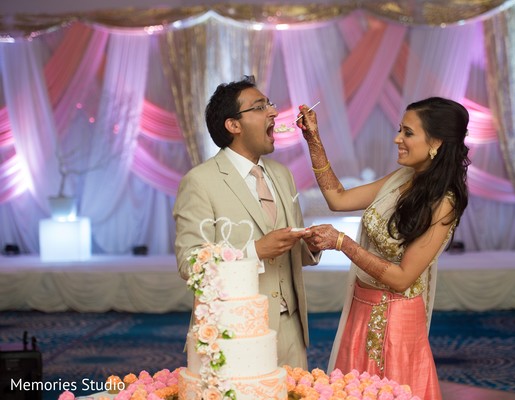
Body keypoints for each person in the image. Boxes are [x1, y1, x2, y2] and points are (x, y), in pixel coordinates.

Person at [298, 97, 470, 400]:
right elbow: (338, 199)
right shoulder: (404, 178)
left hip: (396, 320)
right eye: (399, 130)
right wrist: (314, 141)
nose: (397, 139)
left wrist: (343, 243)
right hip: (361, 307)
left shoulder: (445, 202)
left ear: (437, 142)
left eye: (407, 132)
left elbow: (403, 278)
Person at [173, 76, 320, 369]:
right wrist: (254, 251)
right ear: (234, 125)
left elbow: (290, 249)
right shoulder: (200, 181)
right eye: (260, 106)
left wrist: (311, 246)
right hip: (233, 333)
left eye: (271, 104)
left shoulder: (282, 174)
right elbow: (190, 264)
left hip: (291, 331)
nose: (274, 113)